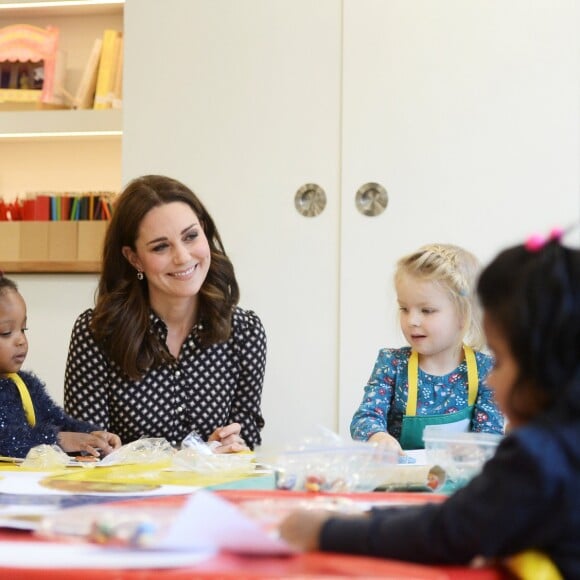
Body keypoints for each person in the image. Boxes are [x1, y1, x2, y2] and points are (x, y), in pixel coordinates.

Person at [279, 229, 580, 578]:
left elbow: (448, 531)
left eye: (499, 360)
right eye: (405, 309)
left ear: (545, 364)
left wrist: (325, 530)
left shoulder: (535, 457)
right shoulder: (394, 363)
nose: (493, 379)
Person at [64, 175, 266, 453]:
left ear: (204, 231)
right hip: (127, 494)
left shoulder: (245, 331)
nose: (182, 257)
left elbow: (248, 437)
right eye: (161, 246)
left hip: (210, 493)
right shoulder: (97, 332)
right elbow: (84, 449)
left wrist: (234, 445)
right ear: (134, 258)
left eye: (191, 236)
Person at [350, 243, 504, 453]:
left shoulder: (485, 371)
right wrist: (378, 437)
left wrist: (476, 448)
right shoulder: (392, 364)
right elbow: (365, 418)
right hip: (399, 480)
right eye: (404, 308)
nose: (412, 320)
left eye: (427, 310)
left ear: (463, 315)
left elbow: (490, 434)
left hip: (459, 482)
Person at [0, 276, 121, 459]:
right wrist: (57, 440)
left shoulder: (26, 384)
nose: (21, 341)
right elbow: (6, 440)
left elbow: (59, 421)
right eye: (6, 332)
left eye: (24, 329)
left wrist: (92, 435)